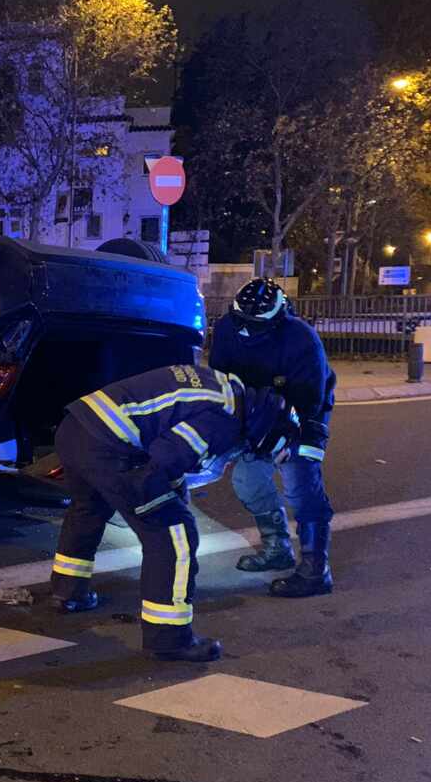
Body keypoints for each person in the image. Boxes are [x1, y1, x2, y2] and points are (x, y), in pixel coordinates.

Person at [50, 364, 292, 663]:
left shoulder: (222, 389)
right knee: (173, 532)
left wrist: (172, 487)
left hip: (76, 428)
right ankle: (169, 638)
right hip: (109, 447)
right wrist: (167, 498)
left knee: (89, 509)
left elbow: (165, 439)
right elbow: (164, 460)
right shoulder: (225, 420)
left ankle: (68, 592)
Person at [209, 278, 336, 598]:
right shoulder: (226, 329)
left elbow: (311, 398)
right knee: (247, 480)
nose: (247, 332)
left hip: (302, 414)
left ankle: (315, 570)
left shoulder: (301, 338)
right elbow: (221, 382)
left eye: (256, 326)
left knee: (301, 482)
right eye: (242, 323)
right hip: (254, 413)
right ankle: (277, 547)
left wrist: (287, 440)